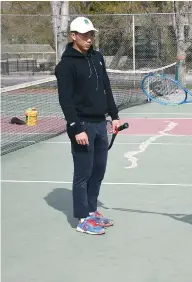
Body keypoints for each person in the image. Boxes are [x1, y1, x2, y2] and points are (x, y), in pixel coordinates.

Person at [55, 17, 120, 235]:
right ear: (73, 36)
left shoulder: (98, 57)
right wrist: (76, 128)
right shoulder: (66, 65)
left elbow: (106, 89)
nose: (89, 38)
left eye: (91, 34)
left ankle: (92, 211)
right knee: (83, 173)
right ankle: (83, 219)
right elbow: (65, 100)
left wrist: (115, 116)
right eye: (84, 35)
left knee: (98, 171)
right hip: (82, 125)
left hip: (101, 123)